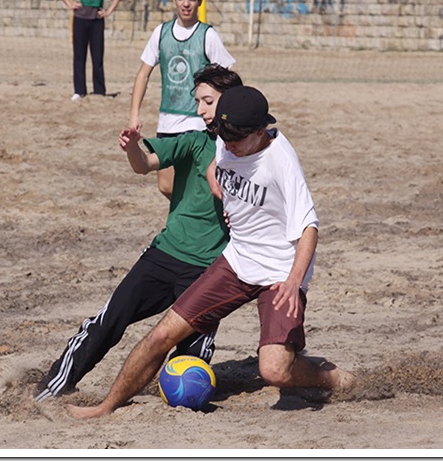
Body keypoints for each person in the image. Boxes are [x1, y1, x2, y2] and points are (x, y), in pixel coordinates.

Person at [66, 86, 355, 419]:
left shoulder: (280, 160)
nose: (227, 143)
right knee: (161, 335)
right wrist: (228, 197)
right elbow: (216, 166)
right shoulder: (226, 137)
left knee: (275, 371)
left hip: (280, 271)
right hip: (237, 258)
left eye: (235, 139)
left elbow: (309, 229)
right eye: (223, 134)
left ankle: (331, 376)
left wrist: (293, 282)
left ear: (260, 132)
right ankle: (106, 407)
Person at [34, 64, 244, 401]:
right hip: (165, 255)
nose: (201, 110)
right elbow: (144, 165)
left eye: (208, 101)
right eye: (198, 102)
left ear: (231, 103)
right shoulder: (193, 143)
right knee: (109, 321)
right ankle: (52, 388)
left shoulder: (250, 154)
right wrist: (132, 146)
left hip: (209, 269)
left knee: (194, 350)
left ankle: (179, 401)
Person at [129, 0, 235, 201]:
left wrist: (224, 116)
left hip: (198, 123)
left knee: (200, 184)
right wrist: (134, 114)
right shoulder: (161, 33)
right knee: (166, 186)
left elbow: (229, 80)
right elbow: (143, 74)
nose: (186, 4)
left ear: (199, 2)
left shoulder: (208, 35)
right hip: (168, 121)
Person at [59, 0, 123, 101]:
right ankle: (79, 90)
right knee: (79, 56)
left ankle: (99, 90)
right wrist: (69, 4)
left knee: (97, 56)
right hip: (80, 19)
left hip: (97, 20)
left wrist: (108, 11)